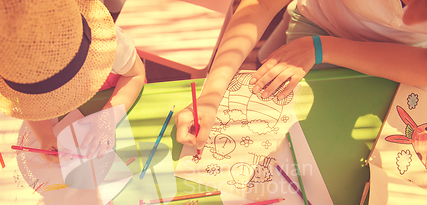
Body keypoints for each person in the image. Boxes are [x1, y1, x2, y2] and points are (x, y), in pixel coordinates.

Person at [175, 0, 427, 149]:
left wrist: (325, 48)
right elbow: (263, 4)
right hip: (323, 25)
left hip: (404, 58)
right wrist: (211, 94)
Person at [0, 0, 145, 163]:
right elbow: (28, 105)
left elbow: (135, 75)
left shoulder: (108, 45)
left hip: (119, 98)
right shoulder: (14, 63)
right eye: (39, 92)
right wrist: (44, 135)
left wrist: (109, 116)